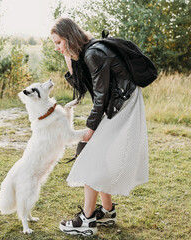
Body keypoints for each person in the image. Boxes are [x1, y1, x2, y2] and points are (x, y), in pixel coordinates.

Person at [51, 17, 149, 236]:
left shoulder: (93, 53)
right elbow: (84, 86)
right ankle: (107, 211)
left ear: (68, 38)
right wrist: (69, 60)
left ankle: (87, 221)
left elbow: (101, 97)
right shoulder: (87, 52)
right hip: (119, 103)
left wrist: (90, 129)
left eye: (58, 43)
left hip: (123, 104)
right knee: (99, 156)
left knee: (91, 156)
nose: (56, 48)